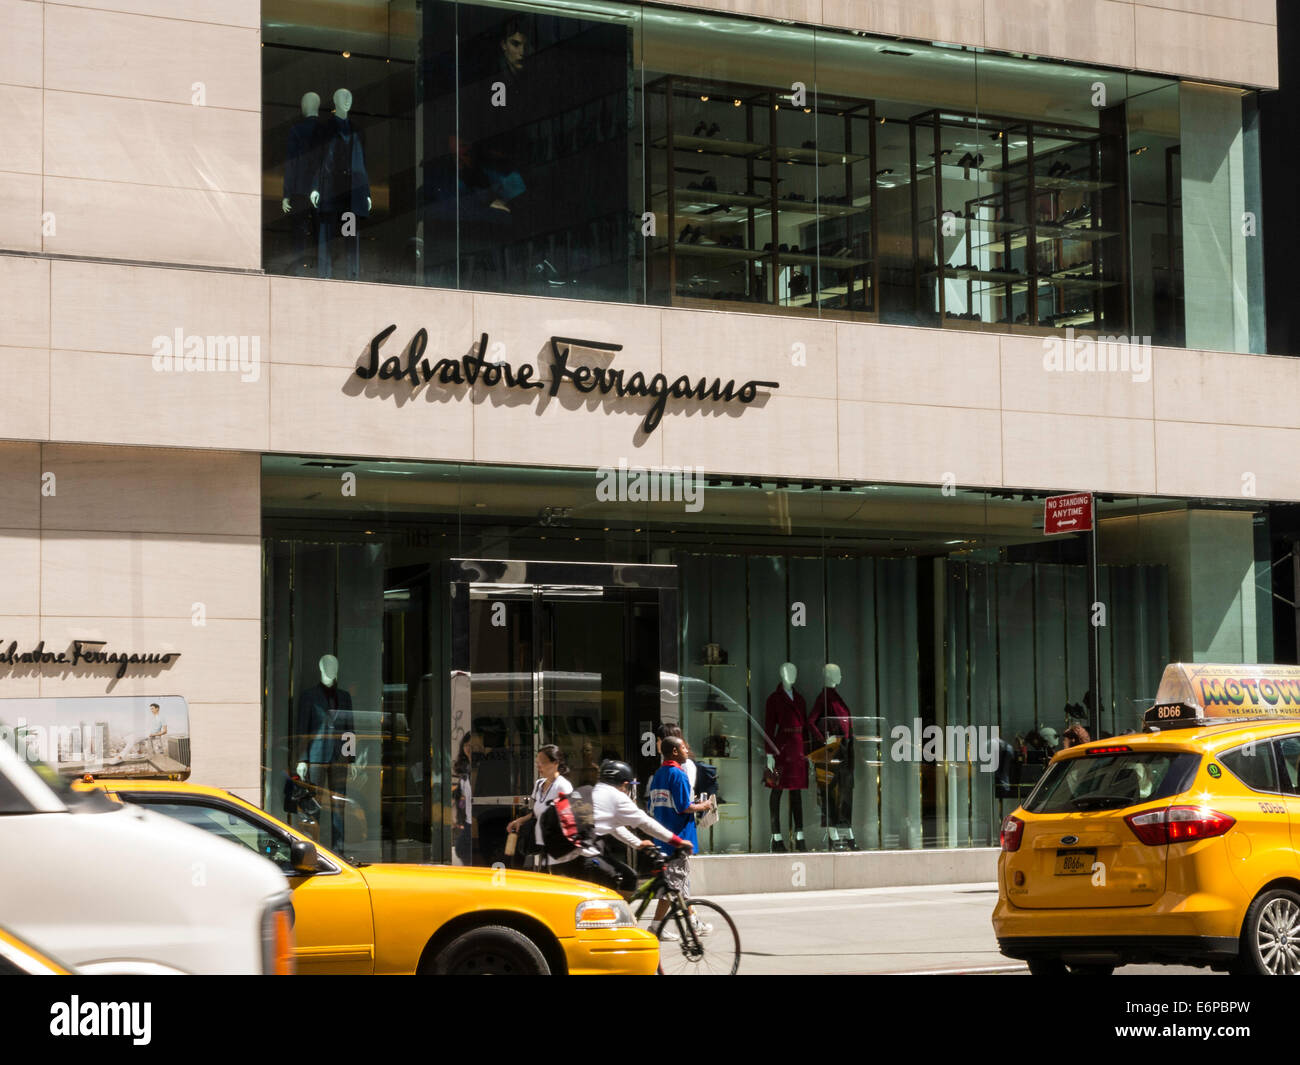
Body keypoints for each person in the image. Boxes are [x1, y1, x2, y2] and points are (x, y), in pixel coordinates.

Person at [568, 760, 693, 897]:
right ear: (625, 784)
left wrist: (637, 844)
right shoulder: (616, 796)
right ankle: (618, 917)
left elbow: (615, 827)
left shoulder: (597, 791)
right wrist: (678, 842)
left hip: (572, 854)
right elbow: (645, 823)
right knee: (628, 878)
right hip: (584, 854)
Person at [648, 736, 712, 933]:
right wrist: (705, 805)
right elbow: (684, 807)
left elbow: (652, 807)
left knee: (681, 885)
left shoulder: (658, 774)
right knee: (673, 884)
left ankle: (693, 924)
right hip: (679, 838)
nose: (687, 750)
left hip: (662, 836)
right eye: (684, 747)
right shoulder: (679, 774)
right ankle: (656, 927)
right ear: (675, 751)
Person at [505, 744, 579, 873]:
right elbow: (536, 813)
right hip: (540, 842)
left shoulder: (563, 786)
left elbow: (570, 819)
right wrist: (520, 821)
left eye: (543, 763)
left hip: (556, 845)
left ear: (555, 763)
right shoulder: (539, 784)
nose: (539, 766)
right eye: (537, 762)